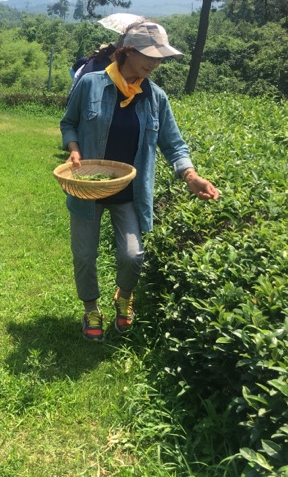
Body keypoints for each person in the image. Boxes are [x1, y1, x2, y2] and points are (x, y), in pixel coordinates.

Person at [60, 21, 219, 342]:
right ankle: (91, 308)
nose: (155, 63)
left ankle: (123, 296)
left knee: (133, 255)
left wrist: (190, 176)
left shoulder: (155, 98)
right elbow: (69, 123)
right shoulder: (91, 84)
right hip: (88, 187)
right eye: (149, 54)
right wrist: (73, 150)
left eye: (160, 58)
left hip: (129, 191)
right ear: (127, 51)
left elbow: (174, 144)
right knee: (84, 255)